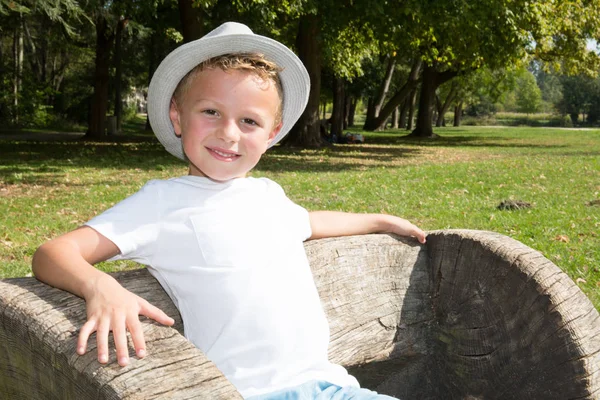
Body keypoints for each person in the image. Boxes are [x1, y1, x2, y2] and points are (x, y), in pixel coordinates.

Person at [32, 22, 426, 400]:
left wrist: (376, 220)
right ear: (177, 117)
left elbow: (310, 222)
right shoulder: (160, 204)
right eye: (210, 112)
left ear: (272, 134)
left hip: (330, 385)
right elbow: (53, 253)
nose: (229, 133)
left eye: (249, 121)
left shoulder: (267, 195)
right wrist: (101, 287)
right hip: (251, 393)